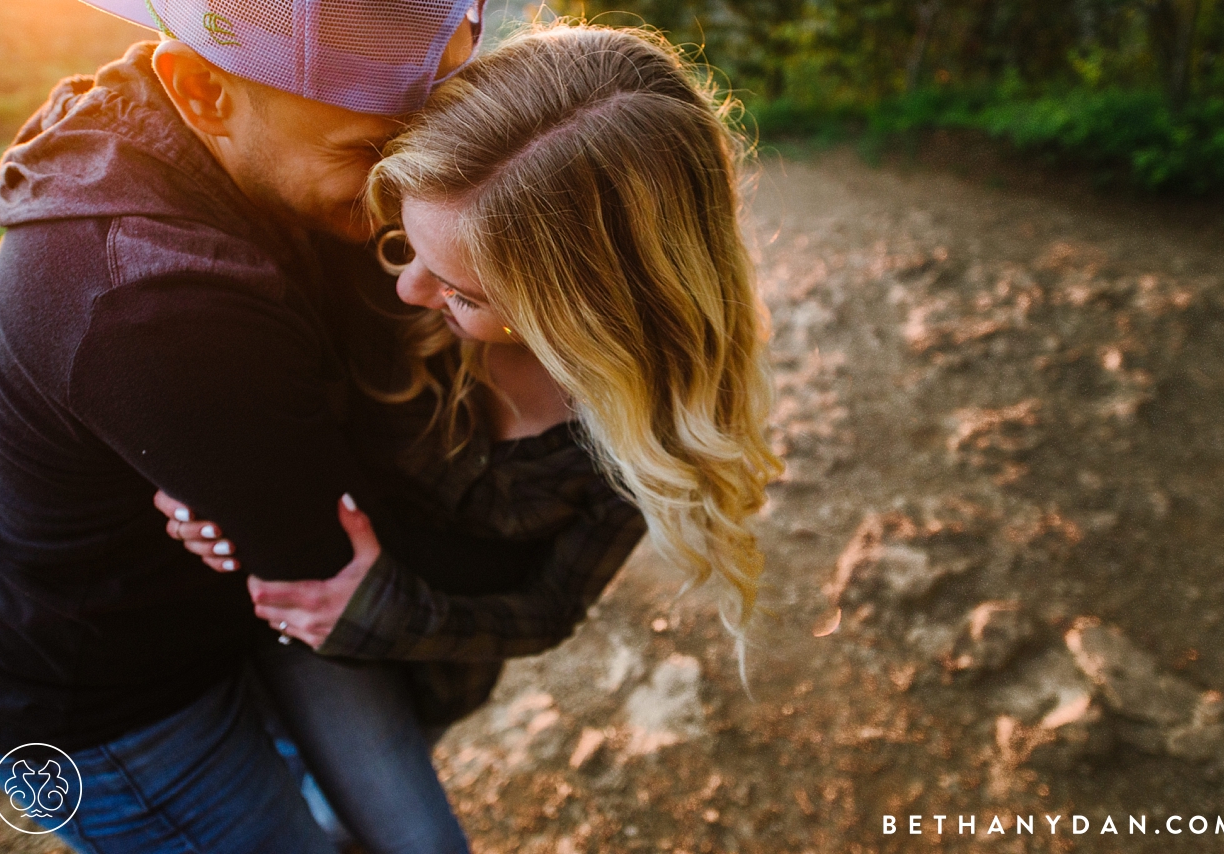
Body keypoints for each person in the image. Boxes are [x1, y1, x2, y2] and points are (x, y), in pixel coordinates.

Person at [161, 22, 784, 846]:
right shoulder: (378, 266)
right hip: (258, 623)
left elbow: (550, 606)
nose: (408, 287)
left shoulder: (660, 426)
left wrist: (388, 611)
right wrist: (218, 483)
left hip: (430, 667)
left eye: (460, 293)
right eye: (403, 245)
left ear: (581, 316)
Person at [0, 1, 491, 852]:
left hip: (218, 609)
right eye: (367, 152)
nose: (415, 193)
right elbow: (321, 565)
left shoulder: (189, 132)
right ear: (202, 92)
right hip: (109, 705)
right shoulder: (159, 303)